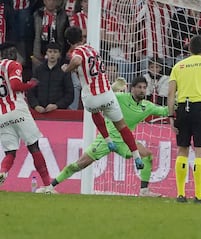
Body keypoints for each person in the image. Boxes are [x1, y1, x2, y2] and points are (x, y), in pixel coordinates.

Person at [43, 76, 167, 196]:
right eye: (139, 87)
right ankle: (50, 186)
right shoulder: (120, 98)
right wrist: (112, 88)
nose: (142, 90)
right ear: (132, 88)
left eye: (144, 87)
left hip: (125, 141)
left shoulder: (147, 106)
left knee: (147, 155)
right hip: (106, 139)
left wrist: (178, 102)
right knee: (80, 164)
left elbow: (165, 111)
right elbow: (102, 97)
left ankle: (144, 191)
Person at [61, 26, 143, 170]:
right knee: (122, 126)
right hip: (107, 94)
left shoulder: (77, 51)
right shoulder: (93, 50)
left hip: (91, 98)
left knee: (94, 111)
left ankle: (107, 139)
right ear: (82, 37)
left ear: (68, 41)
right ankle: (137, 156)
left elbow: (77, 60)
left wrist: (67, 70)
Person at [168, 35, 201, 204]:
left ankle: (181, 194)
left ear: (189, 48)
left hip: (183, 108)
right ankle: (199, 195)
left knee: (182, 149)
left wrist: (170, 116)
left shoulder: (178, 66)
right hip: (200, 109)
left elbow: (170, 93)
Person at [0, 42, 52, 190]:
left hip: (2, 114)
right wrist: (30, 84)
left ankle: (3, 172)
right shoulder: (14, 65)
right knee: (33, 146)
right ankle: (48, 185)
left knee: (10, 152)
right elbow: (15, 86)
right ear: (14, 54)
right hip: (18, 109)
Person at [27, 42, 74, 112]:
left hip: (58, 112)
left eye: (55, 52)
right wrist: (35, 105)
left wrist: (57, 105)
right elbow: (31, 91)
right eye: (50, 51)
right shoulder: (38, 70)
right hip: (39, 111)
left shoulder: (64, 71)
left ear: (59, 54)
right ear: (46, 53)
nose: (52, 54)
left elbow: (70, 94)